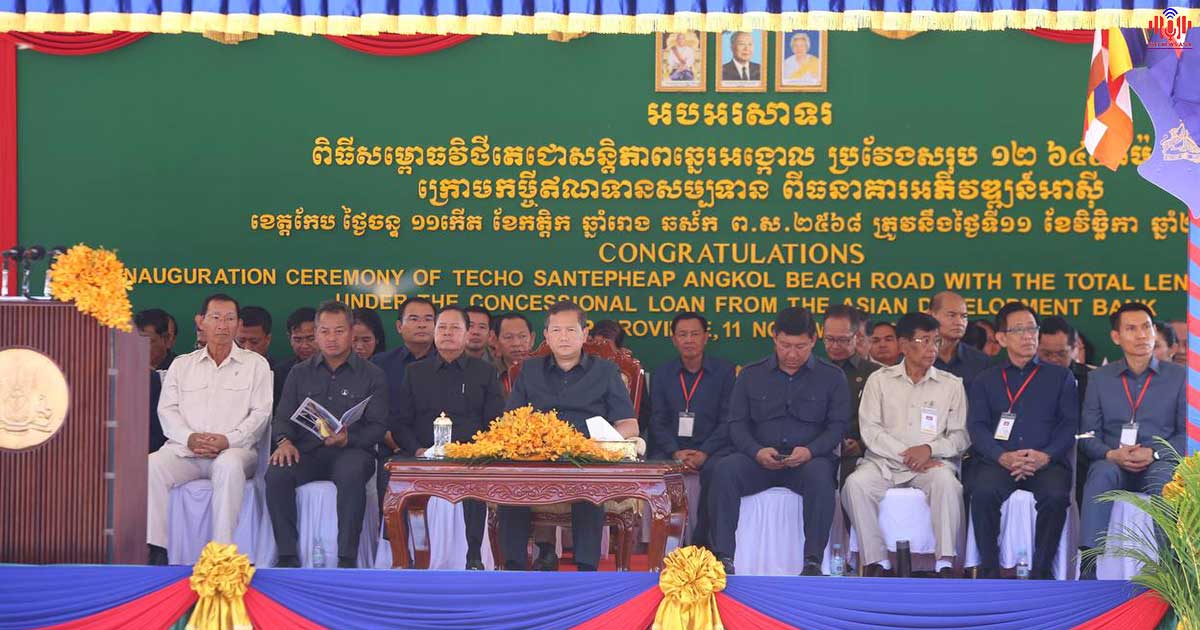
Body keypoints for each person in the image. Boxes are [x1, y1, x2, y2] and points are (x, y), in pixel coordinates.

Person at [498, 300, 638, 572]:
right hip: (536, 460)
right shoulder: (529, 370)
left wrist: (594, 444)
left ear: (584, 334)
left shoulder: (606, 372)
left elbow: (629, 425)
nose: (563, 337)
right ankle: (513, 569)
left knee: (589, 481)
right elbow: (510, 421)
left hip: (584, 458)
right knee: (512, 481)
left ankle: (586, 570)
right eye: (556, 331)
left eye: (571, 330)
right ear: (546, 336)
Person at [708, 307, 849, 576]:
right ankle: (723, 557)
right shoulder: (751, 374)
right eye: (785, 346)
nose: (792, 354)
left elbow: (837, 427)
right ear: (774, 338)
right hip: (759, 461)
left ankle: (812, 562)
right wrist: (756, 451)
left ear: (814, 340)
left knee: (821, 475)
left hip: (807, 463)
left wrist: (810, 451)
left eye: (800, 346)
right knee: (725, 469)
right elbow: (736, 424)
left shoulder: (832, 377)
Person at [146, 294, 272, 565]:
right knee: (152, 465)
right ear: (201, 321)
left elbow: (260, 415)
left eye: (229, 319)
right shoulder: (182, 365)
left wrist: (228, 440)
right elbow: (167, 410)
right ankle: (156, 549)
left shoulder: (256, 365)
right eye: (215, 318)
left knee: (228, 465)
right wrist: (189, 438)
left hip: (236, 451)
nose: (222, 325)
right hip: (187, 450)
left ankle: (222, 551)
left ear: (238, 324)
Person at [844, 312, 969, 578]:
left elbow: (960, 436)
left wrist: (929, 450)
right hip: (884, 463)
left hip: (931, 464)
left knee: (947, 484)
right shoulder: (879, 380)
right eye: (923, 340)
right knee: (855, 485)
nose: (932, 348)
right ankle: (877, 561)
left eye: (936, 341)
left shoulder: (951, 385)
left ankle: (945, 562)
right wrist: (908, 455)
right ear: (903, 344)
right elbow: (871, 430)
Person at [265, 300, 389, 568]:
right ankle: (287, 555)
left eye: (339, 331)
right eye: (324, 331)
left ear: (351, 332)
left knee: (351, 473)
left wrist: (349, 438)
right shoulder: (299, 373)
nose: (331, 338)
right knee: (277, 473)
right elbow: (282, 417)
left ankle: (347, 558)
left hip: (351, 452)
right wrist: (284, 442)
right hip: (307, 452)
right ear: (317, 334)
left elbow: (378, 427)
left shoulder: (372, 375)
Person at [386, 306, 504, 569]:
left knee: (476, 476)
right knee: (394, 477)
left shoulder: (484, 372)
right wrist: (417, 449)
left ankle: (474, 556)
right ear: (434, 332)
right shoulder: (415, 371)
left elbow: (495, 421)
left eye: (455, 328)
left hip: (470, 457)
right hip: (425, 455)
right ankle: (410, 557)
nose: (448, 333)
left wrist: (476, 451)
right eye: (442, 328)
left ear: (467, 333)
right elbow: (400, 421)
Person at [966, 302, 1077, 579]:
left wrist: (1046, 456)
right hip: (1000, 461)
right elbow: (977, 426)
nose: (1028, 336)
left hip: (1045, 462)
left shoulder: (1060, 377)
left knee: (1055, 496)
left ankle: (1041, 571)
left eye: (1032, 329)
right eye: (1019, 330)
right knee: (982, 493)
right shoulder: (985, 379)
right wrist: (1001, 456)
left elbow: (1069, 425)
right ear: (1001, 338)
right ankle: (990, 571)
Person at [1079, 302, 1186, 578]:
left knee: (1166, 481)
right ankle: (1089, 565)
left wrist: (1154, 453)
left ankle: (1171, 568)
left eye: (1146, 327)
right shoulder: (1099, 378)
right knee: (1100, 475)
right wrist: (1110, 454)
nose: (1141, 335)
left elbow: (1188, 434)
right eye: (1131, 329)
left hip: (1158, 461)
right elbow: (1087, 435)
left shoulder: (1180, 377)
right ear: (1116, 337)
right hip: (1114, 461)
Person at [648, 311, 735, 548]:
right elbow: (656, 420)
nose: (689, 340)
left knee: (718, 469)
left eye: (695, 334)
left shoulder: (725, 372)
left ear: (706, 337)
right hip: (672, 448)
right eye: (682, 335)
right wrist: (675, 452)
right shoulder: (662, 374)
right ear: (674, 339)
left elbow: (728, 420)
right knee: (655, 467)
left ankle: (705, 541)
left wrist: (704, 452)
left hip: (712, 449)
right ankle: (663, 545)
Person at [822, 305, 881, 484]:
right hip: (819, 451)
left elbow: (888, 420)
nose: (835, 346)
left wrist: (861, 444)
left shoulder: (876, 374)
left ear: (857, 337)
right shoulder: (815, 371)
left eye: (843, 340)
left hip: (862, 455)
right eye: (829, 339)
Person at [137, 308, 179, 453]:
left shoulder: (180, 369)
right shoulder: (124, 370)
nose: (139, 348)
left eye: (147, 341)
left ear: (167, 340)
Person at [929, 291, 990, 388]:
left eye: (964, 316)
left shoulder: (980, 361)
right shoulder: (915, 358)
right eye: (951, 315)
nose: (959, 322)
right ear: (931, 315)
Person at [274, 307, 317, 408]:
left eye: (311, 339)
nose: (304, 346)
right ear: (289, 338)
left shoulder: (336, 369)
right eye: (298, 339)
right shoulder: (280, 373)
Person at [492, 312, 536, 387]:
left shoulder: (545, 371)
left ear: (532, 339)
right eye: (508, 337)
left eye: (522, 336)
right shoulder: (487, 372)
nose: (516, 343)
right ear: (496, 341)